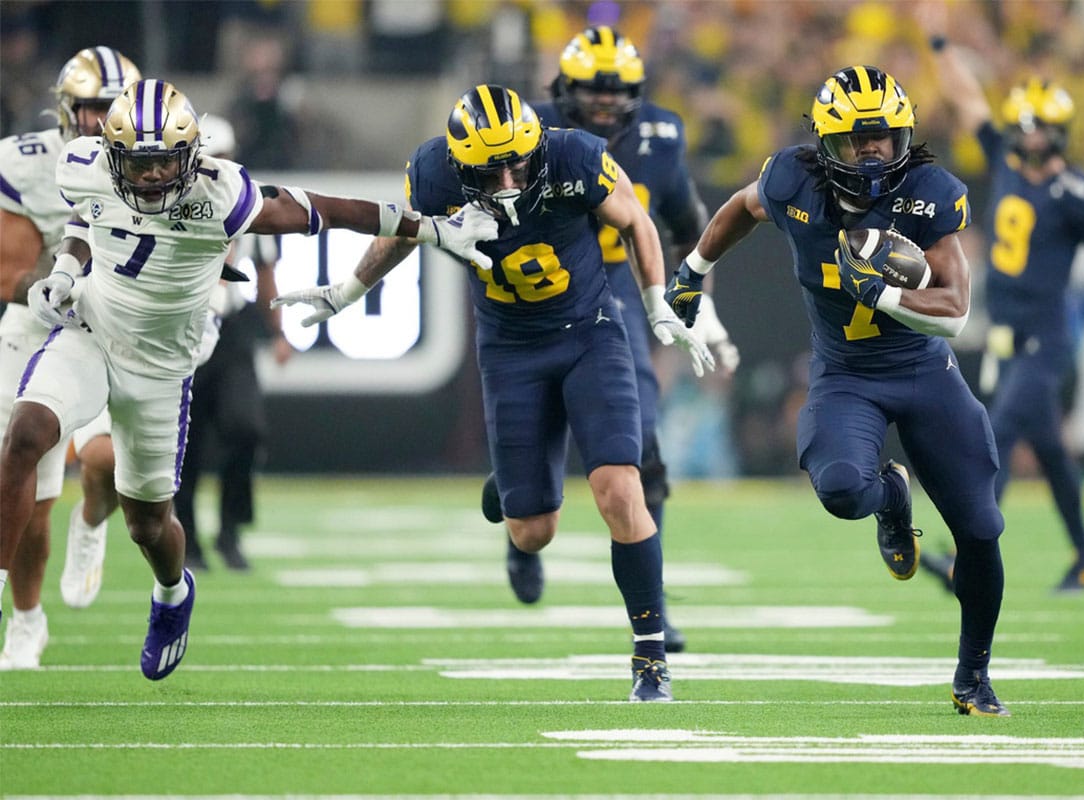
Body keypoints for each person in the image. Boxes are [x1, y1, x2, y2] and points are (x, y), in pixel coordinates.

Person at [0, 77, 498, 680]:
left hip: (159, 367)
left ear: (191, 155)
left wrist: (439, 230)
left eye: (164, 162)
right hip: (91, 331)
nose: (153, 176)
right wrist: (65, 269)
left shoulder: (222, 195)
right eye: (140, 162)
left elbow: (334, 211)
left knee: (148, 523)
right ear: (111, 154)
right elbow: (86, 216)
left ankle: (172, 595)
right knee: (26, 433)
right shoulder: (84, 163)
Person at [273, 84, 715, 701]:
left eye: (518, 162)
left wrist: (656, 305)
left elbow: (636, 219)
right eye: (491, 168)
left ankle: (649, 656)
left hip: (591, 330)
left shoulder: (574, 156)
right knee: (532, 530)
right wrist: (344, 293)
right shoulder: (432, 173)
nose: (508, 179)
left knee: (620, 484)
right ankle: (515, 484)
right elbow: (397, 235)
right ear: (459, 165)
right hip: (511, 349)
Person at [664, 65, 1010, 716]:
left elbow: (957, 309)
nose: (872, 149)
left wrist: (880, 290)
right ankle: (890, 499)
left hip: (921, 368)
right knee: (843, 489)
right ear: (827, 143)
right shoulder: (792, 179)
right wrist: (693, 268)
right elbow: (743, 206)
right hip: (846, 374)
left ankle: (973, 675)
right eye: (855, 138)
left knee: (982, 528)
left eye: (882, 135)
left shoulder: (929, 192)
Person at [476, 26, 739, 652]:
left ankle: (656, 601)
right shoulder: (528, 132)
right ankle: (519, 498)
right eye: (591, 90)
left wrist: (694, 302)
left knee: (640, 447)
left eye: (615, 90)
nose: (602, 103)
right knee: (537, 489)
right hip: (534, 296)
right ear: (563, 89)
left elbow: (687, 227)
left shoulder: (660, 137)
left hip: (619, 290)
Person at [920, 36, 1084, 594]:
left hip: (1047, 338)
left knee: (999, 431)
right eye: (1025, 125)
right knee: (1054, 454)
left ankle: (970, 557)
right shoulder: (1005, 162)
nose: (1029, 134)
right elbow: (970, 102)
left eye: (1039, 126)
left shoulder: (1078, 192)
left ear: (1059, 130)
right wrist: (942, 46)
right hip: (1006, 338)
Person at [0, 46, 137, 669]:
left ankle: (95, 515)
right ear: (67, 110)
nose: (104, 119)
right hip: (40, 324)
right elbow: (8, 273)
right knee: (27, 481)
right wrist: (63, 270)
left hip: (120, 328)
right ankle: (26, 619)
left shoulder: (163, 161)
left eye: (115, 106)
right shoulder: (28, 163)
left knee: (107, 464)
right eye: (93, 109)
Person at [173, 114, 293, 573]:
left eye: (223, 159)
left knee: (246, 428)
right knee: (186, 442)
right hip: (180, 325)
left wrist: (279, 331)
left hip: (231, 326)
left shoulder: (248, 201)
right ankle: (187, 539)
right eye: (209, 160)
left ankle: (229, 529)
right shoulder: (167, 204)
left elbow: (265, 275)